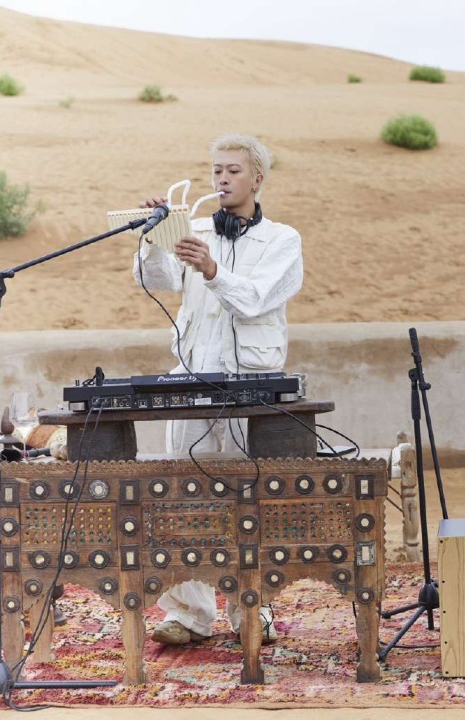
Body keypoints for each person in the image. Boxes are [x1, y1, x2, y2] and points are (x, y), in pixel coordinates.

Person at [132, 133, 304, 646]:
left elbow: (254, 299)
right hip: (193, 378)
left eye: (233, 170)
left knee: (252, 499)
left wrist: (211, 269)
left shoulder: (282, 240)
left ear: (258, 178)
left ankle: (253, 608)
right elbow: (155, 280)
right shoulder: (196, 227)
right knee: (183, 497)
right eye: (216, 171)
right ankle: (190, 615)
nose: (222, 179)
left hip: (253, 383)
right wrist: (154, 237)